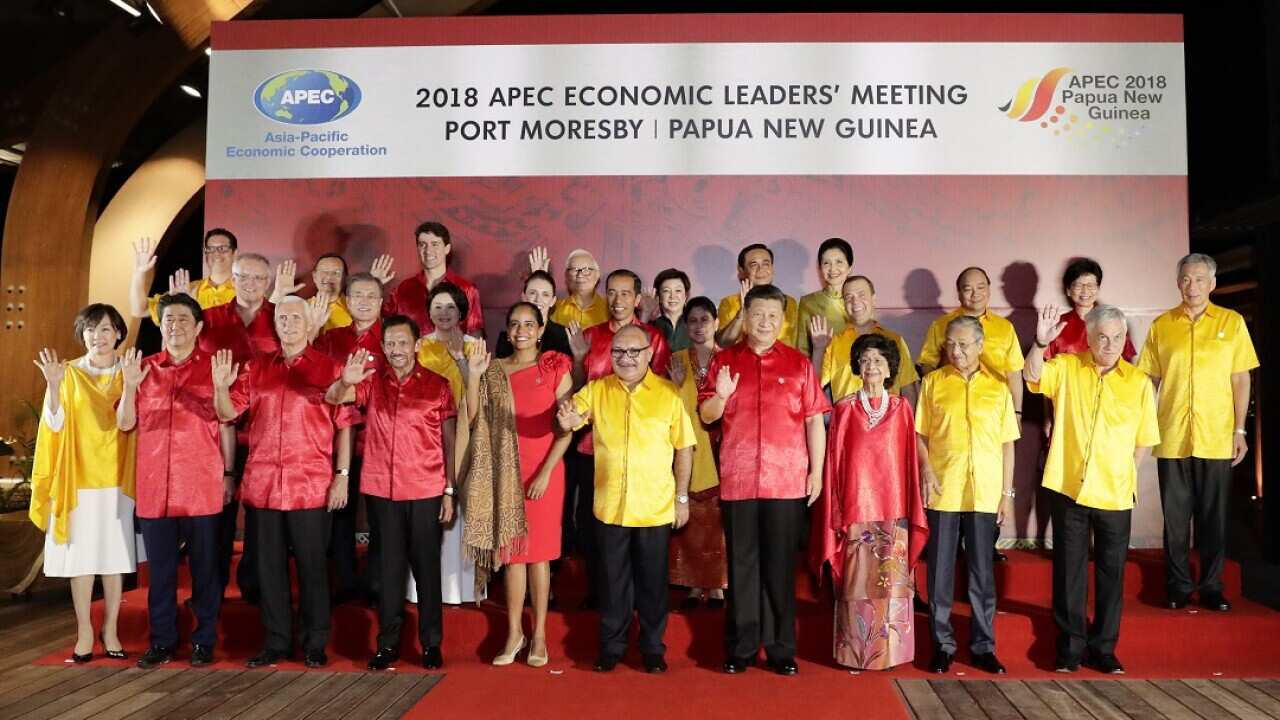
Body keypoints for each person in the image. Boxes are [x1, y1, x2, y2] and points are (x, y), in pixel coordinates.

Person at [213, 296, 356, 669]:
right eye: (282, 317)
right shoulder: (256, 367)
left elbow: (345, 425)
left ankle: (314, 642)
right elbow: (227, 413)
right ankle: (276, 641)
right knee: (268, 568)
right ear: (275, 324)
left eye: (295, 317)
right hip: (263, 485)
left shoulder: (330, 367)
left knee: (313, 567)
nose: (288, 323)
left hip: (311, 484)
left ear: (310, 324)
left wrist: (342, 477)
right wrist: (220, 388)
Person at [699, 284, 830, 676]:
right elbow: (706, 415)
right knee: (741, 566)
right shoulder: (725, 361)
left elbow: (814, 421)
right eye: (758, 314)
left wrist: (817, 471)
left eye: (773, 316)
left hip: (786, 481)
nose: (765, 322)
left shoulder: (798, 364)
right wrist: (722, 395)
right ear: (745, 316)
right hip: (739, 479)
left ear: (783, 320)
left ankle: (780, 649)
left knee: (779, 566)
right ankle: (740, 648)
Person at [1026, 304, 1160, 674]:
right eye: (1102, 337)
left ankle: (1104, 648)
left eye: (1117, 337)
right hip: (1069, 487)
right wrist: (1040, 343)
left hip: (1115, 492)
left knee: (1111, 574)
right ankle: (1070, 647)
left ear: (1125, 339)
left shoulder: (1138, 382)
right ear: (1088, 336)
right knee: (1069, 572)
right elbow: (1032, 375)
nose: (1110, 344)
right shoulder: (1067, 368)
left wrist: (1125, 474)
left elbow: (1144, 439)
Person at [557, 325, 696, 674]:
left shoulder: (668, 393)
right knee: (612, 583)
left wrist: (681, 498)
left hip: (654, 507)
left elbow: (684, 448)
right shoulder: (598, 389)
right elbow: (573, 415)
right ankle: (612, 647)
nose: (626, 358)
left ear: (649, 354)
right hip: (610, 507)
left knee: (652, 585)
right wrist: (568, 418)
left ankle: (652, 649)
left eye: (634, 351)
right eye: (619, 351)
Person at [327, 316, 457, 671]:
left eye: (403, 342)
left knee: (426, 567)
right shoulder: (371, 382)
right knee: (388, 570)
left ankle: (431, 643)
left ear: (417, 345)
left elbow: (450, 441)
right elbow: (333, 397)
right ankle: (388, 644)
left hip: (426, 487)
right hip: (382, 489)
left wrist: (450, 489)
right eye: (390, 343)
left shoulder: (438, 385)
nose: (396, 349)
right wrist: (345, 380)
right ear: (382, 347)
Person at [1137, 253, 1259, 612]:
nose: (1193, 286)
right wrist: (1141, 425)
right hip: (1172, 435)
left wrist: (1239, 429)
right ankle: (1177, 586)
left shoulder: (1231, 323)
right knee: (1175, 520)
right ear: (1178, 283)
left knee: (1213, 517)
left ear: (1213, 283)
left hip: (1217, 435)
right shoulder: (1162, 326)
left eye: (1200, 279)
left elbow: (1241, 379)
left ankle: (1211, 586)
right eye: (1186, 279)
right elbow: (1148, 381)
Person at [117, 294, 232, 669]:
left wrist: (221, 388)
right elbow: (125, 423)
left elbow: (227, 417)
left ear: (198, 328)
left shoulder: (215, 368)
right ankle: (162, 641)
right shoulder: (143, 368)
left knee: (205, 571)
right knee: (161, 573)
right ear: (160, 325)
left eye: (184, 319)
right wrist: (129, 386)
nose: (175, 326)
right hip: (155, 486)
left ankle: (204, 640)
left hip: (200, 485)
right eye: (169, 319)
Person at [465, 303, 574, 668]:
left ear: (541, 330)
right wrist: (473, 376)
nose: (521, 330)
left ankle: (539, 634)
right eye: (514, 324)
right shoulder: (494, 370)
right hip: (506, 473)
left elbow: (567, 427)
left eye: (529, 324)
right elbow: (474, 420)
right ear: (507, 331)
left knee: (539, 556)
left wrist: (546, 472)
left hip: (545, 472)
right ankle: (514, 633)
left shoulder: (555, 366)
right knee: (512, 555)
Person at [811, 333, 927, 671]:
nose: (871, 366)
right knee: (857, 584)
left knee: (892, 586)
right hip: (856, 511)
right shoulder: (845, 408)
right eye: (865, 360)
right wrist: (836, 510)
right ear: (857, 368)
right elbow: (835, 463)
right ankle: (857, 654)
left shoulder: (902, 408)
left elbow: (909, 462)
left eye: (878, 360)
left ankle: (891, 654)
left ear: (890, 368)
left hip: (894, 511)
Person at [30, 304, 137, 664]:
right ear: (82, 334)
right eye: (91, 329)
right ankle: (85, 632)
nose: (98, 336)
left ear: (118, 334)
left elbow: (128, 423)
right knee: (82, 560)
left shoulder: (129, 371)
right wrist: (53, 385)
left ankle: (111, 629)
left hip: (117, 477)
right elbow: (54, 424)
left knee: (113, 558)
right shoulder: (68, 372)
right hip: (77, 476)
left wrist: (132, 386)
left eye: (105, 329)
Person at [915, 315, 1020, 675]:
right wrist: (927, 470)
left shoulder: (998, 387)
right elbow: (920, 435)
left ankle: (983, 646)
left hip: (984, 492)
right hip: (944, 488)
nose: (956, 351)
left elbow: (1008, 445)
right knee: (940, 574)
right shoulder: (933, 383)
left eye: (963, 344)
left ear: (980, 346)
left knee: (982, 574)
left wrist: (1007, 494)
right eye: (950, 345)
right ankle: (942, 646)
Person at [566, 269, 671, 608]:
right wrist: (579, 358)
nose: (617, 300)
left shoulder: (653, 338)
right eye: (611, 292)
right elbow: (577, 389)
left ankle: (638, 599)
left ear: (638, 299)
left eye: (625, 293)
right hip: (593, 448)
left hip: (640, 452)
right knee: (594, 525)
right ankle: (601, 595)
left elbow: (661, 391)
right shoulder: (590, 336)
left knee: (640, 534)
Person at [918, 266, 1023, 563]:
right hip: (950, 412)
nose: (974, 294)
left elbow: (1014, 374)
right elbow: (926, 364)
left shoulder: (1004, 328)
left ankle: (985, 545)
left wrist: (1016, 411)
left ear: (989, 289)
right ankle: (948, 548)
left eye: (980, 287)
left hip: (992, 411)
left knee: (989, 481)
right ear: (958, 292)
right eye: (967, 288)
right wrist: (942, 389)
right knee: (949, 490)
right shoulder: (942, 325)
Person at [198, 252, 284, 604]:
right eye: (243, 277)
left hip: (268, 433)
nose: (250, 284)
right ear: (232, 279)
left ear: (268, 282)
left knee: (262, 519)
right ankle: (211, 590)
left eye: (258, 278)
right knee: (217, 515)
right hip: (215, 431)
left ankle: (255, 588)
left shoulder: (281, 318)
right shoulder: (208, 319)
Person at [314, 271, 389, 605]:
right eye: (357, 295)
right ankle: (343, 582)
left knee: (381, 518)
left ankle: (377, 584)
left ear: (381, 302)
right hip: (337, 440)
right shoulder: (332, 339)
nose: (364, 302)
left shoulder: (391, 338)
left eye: (371, 296)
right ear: (346, 301)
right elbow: (316, 382)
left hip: (380, 441)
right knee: (340, 514)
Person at [417, 281, 484, 605]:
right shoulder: (419, 346)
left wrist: (460, 361)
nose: (443, 313)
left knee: (465, 509)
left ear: (462, 312)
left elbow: (481, 394)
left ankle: (465, 587)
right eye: (437, 307)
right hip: (425, 439)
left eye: (451, 307)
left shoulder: (474, 346)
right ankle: (424, 587)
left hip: (466, 436)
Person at [666, 297, 728, 609]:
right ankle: (692, 585)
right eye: (693, 320)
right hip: (687, 446)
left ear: (717, 322)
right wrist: (675, 386)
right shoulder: (676, 360)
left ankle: (717, 585)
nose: (699, 326)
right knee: (691, 516)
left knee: (718, 521)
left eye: (705, 319)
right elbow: (666, 407)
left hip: (722, 446)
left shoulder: (729, 360)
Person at [1040, 258, 1137, 439]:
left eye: (1091, 285)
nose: (1085, 291)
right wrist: (1047, 418)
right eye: (1079, 285)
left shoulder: (1114, 323)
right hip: (1067, 410)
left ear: (1098, 289)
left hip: (1108, 409)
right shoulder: (1057, 325)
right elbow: (1045, 379)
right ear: (1068, 290)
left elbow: (1127, 369)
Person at [812, 275, 919, 405]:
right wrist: (818, 350)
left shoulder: (895, 340)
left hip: (889, 417)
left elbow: (908, 389)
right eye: (849, 297)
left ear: (873, 299)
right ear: (844, 304)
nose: (855, 302)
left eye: (861, 295)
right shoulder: (833, 343)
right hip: (847, 417)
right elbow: (813, 387)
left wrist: (907, 417)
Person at [380, 221, 484, 337]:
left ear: (447, 249)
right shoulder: (402, 290)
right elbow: (382, 324)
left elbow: (475, 334)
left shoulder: (467, 290)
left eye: (435, 244)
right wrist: (376, 286)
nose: (428, 250)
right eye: (422, 244)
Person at [129, 229, 238, 323]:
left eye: (222, 248)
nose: (216, 254)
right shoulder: (189, 289)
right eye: (211, 249)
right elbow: (140, 310)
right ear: (205, 254)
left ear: (235, 253)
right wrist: (139, 273)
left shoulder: (244, 291)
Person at [715, 244, 801, 348]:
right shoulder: (729, 302)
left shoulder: (790, 303)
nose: (761, 269)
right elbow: (723, 343)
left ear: (772, 268)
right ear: (742, 271)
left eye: (766, 264)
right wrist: (742, 313)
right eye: (754, 265)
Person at [495, 269, 572, 359]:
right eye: (532, 293)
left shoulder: (564, 336)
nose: (538, 299)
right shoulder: (508, 338)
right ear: (523, 297)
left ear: (553, 301)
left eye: (545, 295)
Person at [796, 237, 853, 357]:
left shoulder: (859, 301)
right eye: (826, 263)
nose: (833, 269)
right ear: (820, 268)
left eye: (839, 262)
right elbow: (802, 350)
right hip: (820, 366)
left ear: (850, 267)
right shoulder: (808, 302)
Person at [550, 248, 609, 330]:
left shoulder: (609, 309)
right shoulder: (554, 309)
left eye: (586, 270)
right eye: (574, 270)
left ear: (597, 275)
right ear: (566, 276)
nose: (580, 275)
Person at [649, 268, 692, 352]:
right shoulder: (651, 326)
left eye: (678, 290)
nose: (672, 296)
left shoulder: (696, 324)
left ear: (686, 296)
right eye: (666, 291)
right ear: (659, 296)